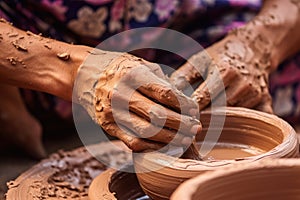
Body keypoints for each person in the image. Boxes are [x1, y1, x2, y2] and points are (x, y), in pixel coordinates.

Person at [0, 0, 299, 159]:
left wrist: (259, 43)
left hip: (188, 16)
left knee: (237, 88)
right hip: (35, 28)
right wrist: (76, 70)